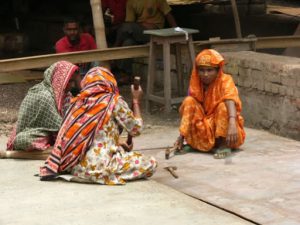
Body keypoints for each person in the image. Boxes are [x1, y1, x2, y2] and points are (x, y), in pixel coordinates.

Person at [40, 67, 157, 185]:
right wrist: (136, 101)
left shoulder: (77, 103)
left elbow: (85, 135)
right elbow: (136, 129)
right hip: (100, 168)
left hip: (77, 169)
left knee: (116, 153)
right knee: (151, 163)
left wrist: (118, 142)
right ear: (109, 81)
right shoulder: (113, 101)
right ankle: (105, 174)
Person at [175, 49, 246, 156]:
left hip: (227, 130)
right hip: (205, 128)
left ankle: (223, 145)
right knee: (188, 101)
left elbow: (230, 98)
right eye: (202, 70)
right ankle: (193, 143)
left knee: (223, 107)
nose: (205, 74)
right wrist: (182, 136)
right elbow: (188, 113)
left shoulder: (225, 80)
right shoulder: (195, 84)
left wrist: (232, 122)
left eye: (209, 70)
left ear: (217, 71)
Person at [5, 61, 81, 154]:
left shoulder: (65, 95)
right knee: (24, 140)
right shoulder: (45, 96)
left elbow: (69, 116)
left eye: (73, 81)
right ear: (59, 79)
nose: (72, 85)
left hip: (49, 130)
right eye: (69, 81)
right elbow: (59, 125)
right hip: (34, 131)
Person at [113, 0, 177, 84]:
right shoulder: (131, 2)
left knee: (125, 27)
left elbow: (168, 14)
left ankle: (114, 52)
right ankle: (127, 75)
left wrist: (176, 31)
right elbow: (130, 21)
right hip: (140, 32)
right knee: (128, 42)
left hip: (155, 31)